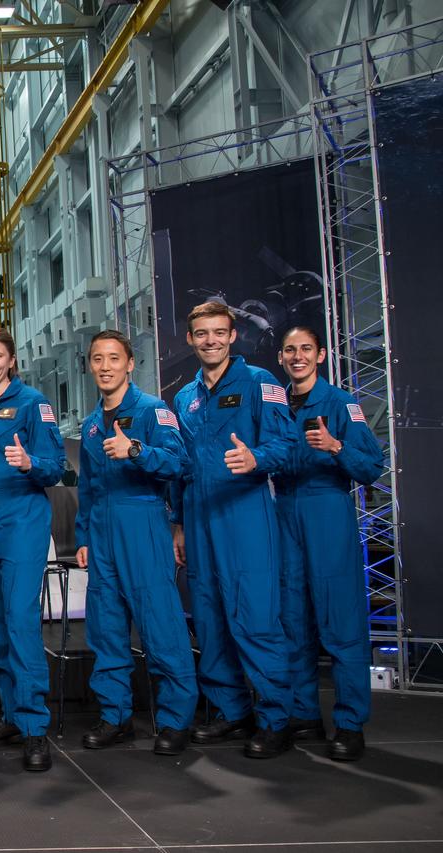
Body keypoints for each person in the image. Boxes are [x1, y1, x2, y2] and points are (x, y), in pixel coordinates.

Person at [171, 301, 296, 758]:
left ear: (232, 335)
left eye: (219, 333)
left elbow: (287, 445)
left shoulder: (261, 384)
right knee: (209, 616)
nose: (210, 341)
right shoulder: (185, 398)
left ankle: (276, 717)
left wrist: (256, 459)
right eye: (201, 333)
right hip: (200, 517)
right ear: (190, 339)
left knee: (256, 618)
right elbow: (181, 469)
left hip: (245, 513)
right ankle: (232, 710)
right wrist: (179, 524)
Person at [74, 331, 197, 756]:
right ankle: (115, 716)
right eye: (97, 359)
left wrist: (137, 450)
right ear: (90, 366)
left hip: (143, 521)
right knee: (106, 630)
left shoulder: (152, 410)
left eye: (113, 358)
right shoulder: (91, 426)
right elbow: (87, 488)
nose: (105, 366)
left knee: (160, 625)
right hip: (103, 532)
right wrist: (85, 536)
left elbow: (179, 463)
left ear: (130, 364)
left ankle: (176, 719)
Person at [274, 326, 383, 761]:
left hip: (327, 511)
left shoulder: (341, 404)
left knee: (340, 621)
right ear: (280, 358)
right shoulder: (274, 403)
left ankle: (350, 722)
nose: (297, 357)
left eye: (305, 349)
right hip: (283, 511)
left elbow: (372, 467)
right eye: (289, 350)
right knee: (293, 621)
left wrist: (336, 446)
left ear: (320, 355)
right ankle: (304, 712)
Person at [0, 324, 65, 772]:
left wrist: (30, 462)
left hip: (20, 523)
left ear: (11, 361)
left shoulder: (32, 405)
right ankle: (9, 713)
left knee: (21, 623)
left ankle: (34, 725)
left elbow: (57, 467)